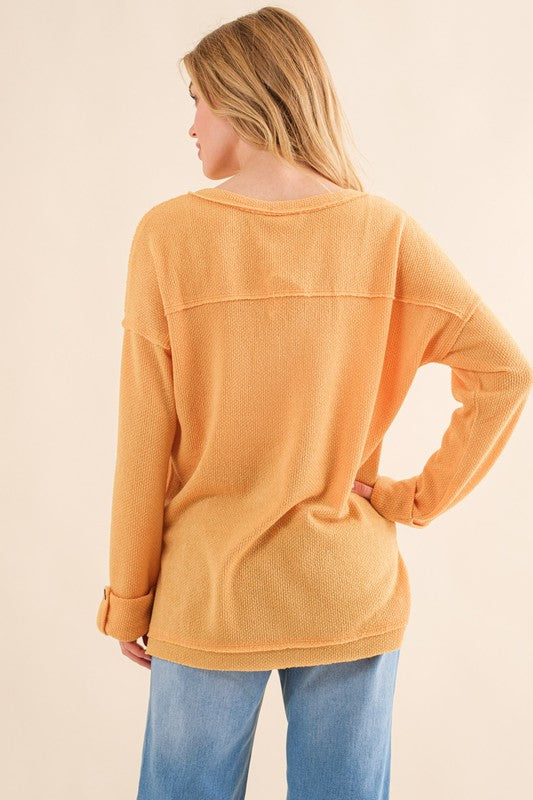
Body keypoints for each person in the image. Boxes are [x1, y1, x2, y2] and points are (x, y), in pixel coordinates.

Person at [96, 6, 533, 799]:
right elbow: (503, 372)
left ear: (239, 97)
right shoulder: (383, 233)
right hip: (347, 590)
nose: (190, 125)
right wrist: (408, 501)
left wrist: (129, 598)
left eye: (196, 101)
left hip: (209, 595)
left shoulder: (167, 237)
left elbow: (142, 438)